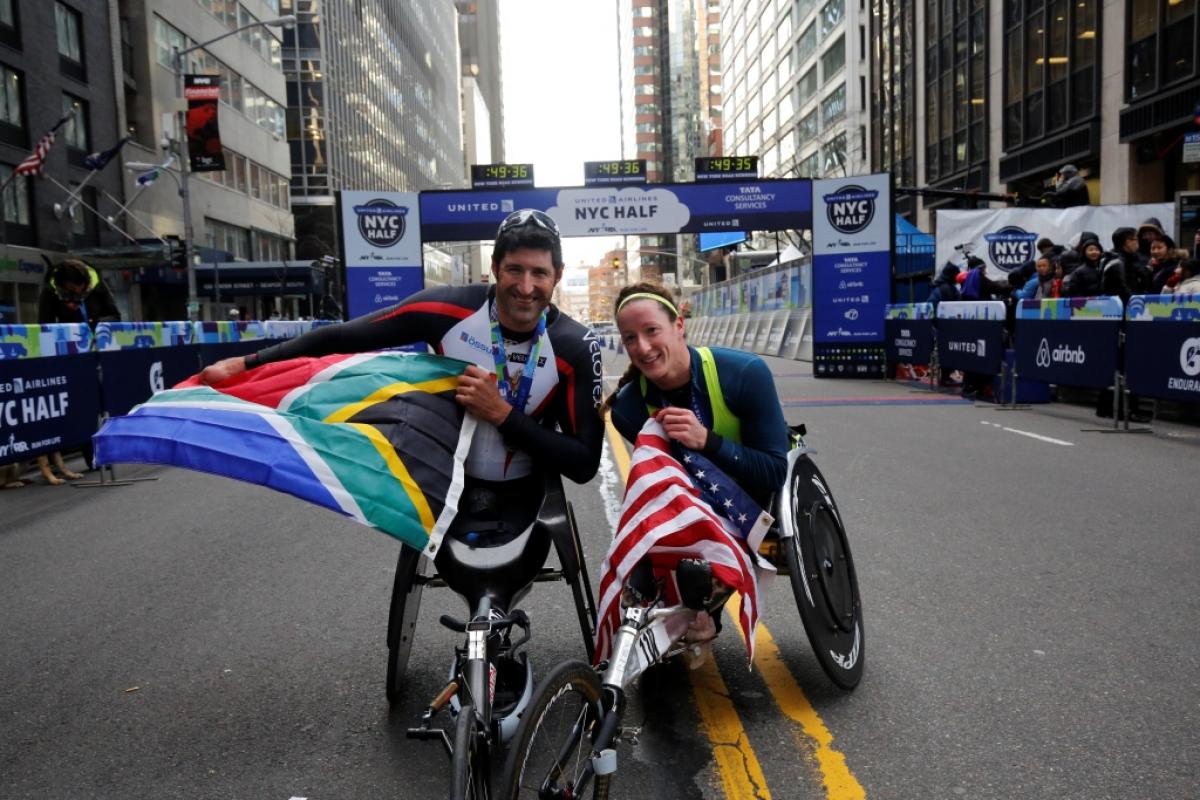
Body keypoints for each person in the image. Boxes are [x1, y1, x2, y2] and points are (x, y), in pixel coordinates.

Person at [201, 208, 604, 498]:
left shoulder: (576, 345)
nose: (526, 286)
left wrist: (501, 414)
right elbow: (340, 337)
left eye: (540, 273)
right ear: (495, 267)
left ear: (558, 276)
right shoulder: (447, 309)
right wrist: (247, 363)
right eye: (515, 270)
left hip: (527, 493)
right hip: (443, 490)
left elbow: (584, 465)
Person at [602, 282, 789, 657]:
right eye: (630, 338)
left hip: (753, 501)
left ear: (679, 326)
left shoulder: (744, 373)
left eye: (652, 331)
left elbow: (773, 473)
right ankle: (688, 609)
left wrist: (708, 441)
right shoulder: (627, 409)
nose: (642, 347)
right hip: (689, 505)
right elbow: (657, 484)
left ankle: (704, 607)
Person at [38, 258, 120, 327]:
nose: (72, 304)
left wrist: (96, 322)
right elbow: (44, 326)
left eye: (80, 296)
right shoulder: (50, 290)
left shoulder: (97, 286)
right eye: (67, 295)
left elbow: (115, 317)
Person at [1100, 227, 1151, 302]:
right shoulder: (1116, 262)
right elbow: (1122, 290)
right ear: (1127, 242)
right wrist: (1135, 303)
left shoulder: (1132, 258)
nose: (1138, 242)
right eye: (1136, 239)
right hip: (1124, 308)